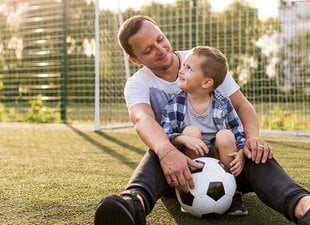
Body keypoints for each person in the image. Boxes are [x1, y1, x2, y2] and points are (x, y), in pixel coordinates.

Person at [94, 15, 310, 225]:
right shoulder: (137, 85)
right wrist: (168, 152)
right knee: (159, 148)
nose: (160, 50)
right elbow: (142, 120)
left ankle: (303, 206)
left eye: (160, 39)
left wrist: (252, 139)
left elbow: (242, 105)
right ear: (135, 59)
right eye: (148, 50)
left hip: (229, 164)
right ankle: (133, 205)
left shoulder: (202, 60)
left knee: (256, 153)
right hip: (180, 172)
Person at [161, 45, 247, 216]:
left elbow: (238, 131)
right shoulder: (175, 103)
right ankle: (189, 191)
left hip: (219, 160)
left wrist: (242, 152)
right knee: (191, 132)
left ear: (207, 82)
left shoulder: (223, 102)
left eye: (189, 68)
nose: (181, 71)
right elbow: (166, 132)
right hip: (192, 159)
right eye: (184, 65)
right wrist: (183, 139)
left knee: (226, 135)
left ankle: (233, 194)